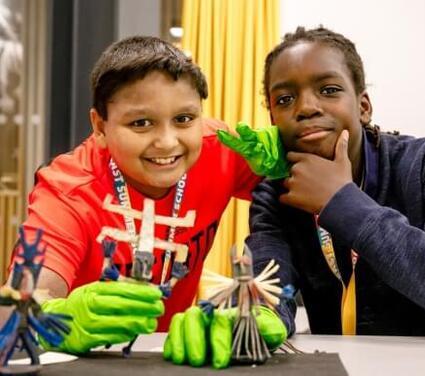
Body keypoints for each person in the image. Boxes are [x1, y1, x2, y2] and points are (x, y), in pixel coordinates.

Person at [225, 26, 425, 343]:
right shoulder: (275, 193)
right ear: (273, 121)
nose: (305, 108)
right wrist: (254, 316)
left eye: (328, 90)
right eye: (285, 99)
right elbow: (267, 281)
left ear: (363, 107)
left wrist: (342, 203)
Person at [1, 36, 265, 354]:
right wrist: (53, 319)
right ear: (100, 127)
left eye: (184, 119)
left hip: (177, 356)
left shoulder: (221, 148)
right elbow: (16, 308)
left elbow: (302, 191)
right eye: (141, 123)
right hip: (88, 363)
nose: (168, 142)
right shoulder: (68, 190)